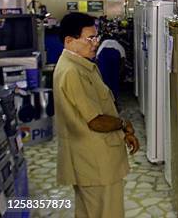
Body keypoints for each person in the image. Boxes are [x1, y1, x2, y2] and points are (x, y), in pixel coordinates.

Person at [53, 12, 139, 217]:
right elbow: (96, 121)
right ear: (69, 41)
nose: (95, 43)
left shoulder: (82, 66)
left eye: (96, 37)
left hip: (94, 161)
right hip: (94, 163)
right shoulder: (72, 72)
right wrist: (124, 124)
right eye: (90, 38)